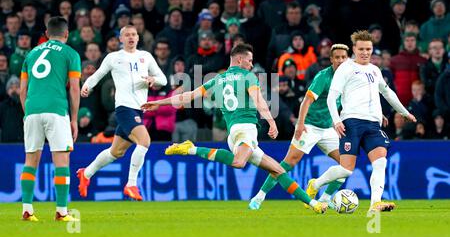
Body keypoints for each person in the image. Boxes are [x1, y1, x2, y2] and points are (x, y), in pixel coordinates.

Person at [142, 43, 328, 214]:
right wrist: (271, 121)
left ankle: (314, 205)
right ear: (239, 59)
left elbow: (187, 96)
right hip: (244, 130)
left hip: (236, 132)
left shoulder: (217, 79)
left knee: (278, 170)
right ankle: (191, 148)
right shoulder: (248, 76)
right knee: (239, 163)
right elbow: (259, 100)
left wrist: (159, 103)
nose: (251, 64)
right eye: (249, 60)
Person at [306, 30, 416, 212]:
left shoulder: (375, 70)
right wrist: (336, 121)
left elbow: (387, 93)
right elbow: (331, 98)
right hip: (351, 123)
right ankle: (315, 184)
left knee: (381, 161)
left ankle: (375, 204)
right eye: (361, 49)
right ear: (354, 50)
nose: (365, 53)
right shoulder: (346, 68)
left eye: (369, 49)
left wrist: (403, 112)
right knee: (346, 170)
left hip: (373, 125)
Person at [249, 44, 350, 210]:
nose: (340, 60)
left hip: (327, 128)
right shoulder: (323, 77)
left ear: (347, 59)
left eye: (343, 57)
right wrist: (300, 124)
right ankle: (259, 197)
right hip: (309, 126)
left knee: (346, 165)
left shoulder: (348, 78)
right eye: (337, 57)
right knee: (287, 163)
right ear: (331, 59)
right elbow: (306, 102)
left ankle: (324, 198)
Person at [77, 25, 167, 201]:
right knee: (144, 141)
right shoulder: (114, 57)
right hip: (124, 108)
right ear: (121, 39)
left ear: (138, 38)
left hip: (139, 109)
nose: (131, 37)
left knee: (116, 152)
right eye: (127, 35)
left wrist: (153, 79)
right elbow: (98, 74)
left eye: (133, 34)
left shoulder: (145, 57)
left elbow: (163, 79)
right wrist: (87, 86)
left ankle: (86, 173)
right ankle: (131, 184)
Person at [19, 16, 81, 222]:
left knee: (30, 161)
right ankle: (61, 212)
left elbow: (22, 91)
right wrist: (74, 119)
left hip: (32, 110)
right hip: (56, 110)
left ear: (46, 34)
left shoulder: (30, 55)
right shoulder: (71, 54)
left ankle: (27, 210)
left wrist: (27, 113)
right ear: (67, 34)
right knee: (62, 161)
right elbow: (74, 88)